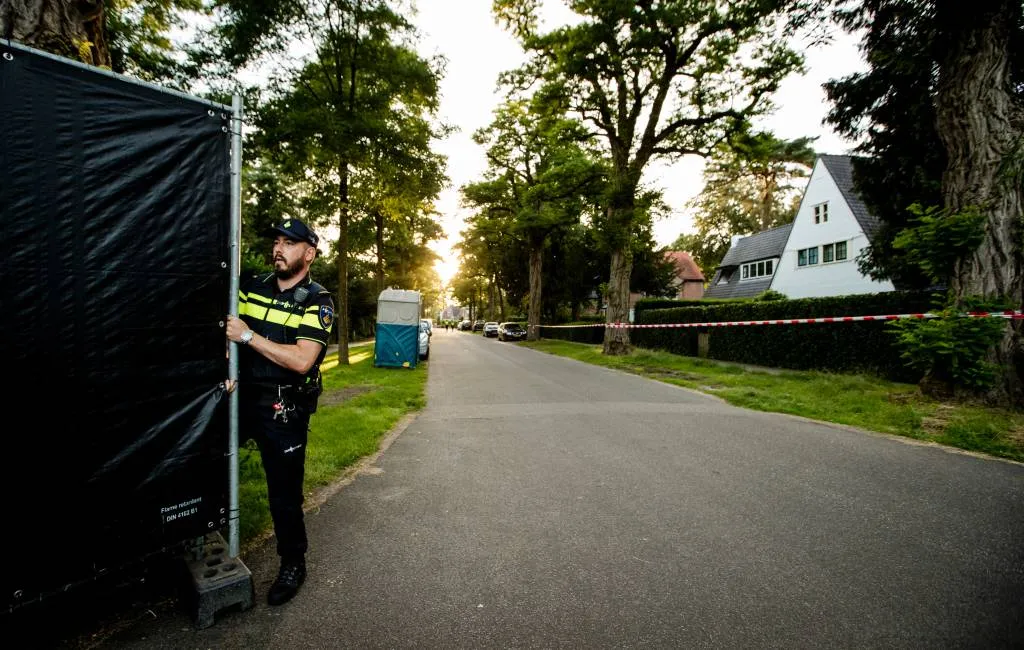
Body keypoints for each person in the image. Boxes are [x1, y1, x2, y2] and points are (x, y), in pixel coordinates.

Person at [225, 218, 335, 606]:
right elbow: (226, 328)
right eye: (276, 241)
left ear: (309, 253)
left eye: (289, 243)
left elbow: (302, 361)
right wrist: (227, 362)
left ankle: (293, 562)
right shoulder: (251, 287)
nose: (278, 249)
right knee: (208, 465)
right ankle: (209, 539)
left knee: (283, 494)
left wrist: (248, 337)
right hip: (239, 398)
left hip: (283, 406)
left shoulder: (318, 300)